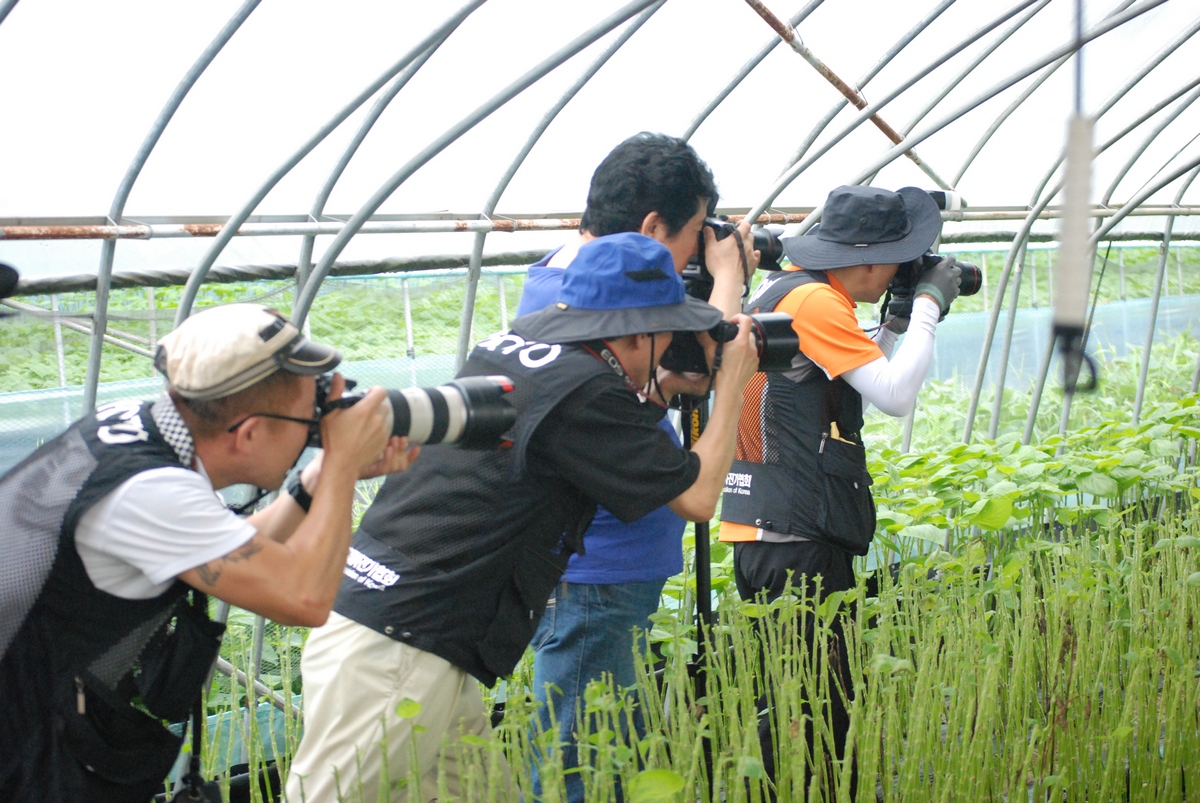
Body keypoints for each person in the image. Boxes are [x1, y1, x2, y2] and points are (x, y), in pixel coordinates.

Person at [284, 231, 760, 802]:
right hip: (401, 642)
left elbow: (557, 419)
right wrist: (732, 382)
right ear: (638, 333)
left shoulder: (517, 343)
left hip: (406, 621)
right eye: (668, 335)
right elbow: (699, 498)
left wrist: (660, 384)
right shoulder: (588, 391)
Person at [0, 303, 416, 803]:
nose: (316, 432)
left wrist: (314, 483)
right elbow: (304, 598)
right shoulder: (149, 493)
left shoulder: (135, 432)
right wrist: (343, 466)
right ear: (250, 432)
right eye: (310, 419)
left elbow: (233, 550)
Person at [516, 132, 756, 802]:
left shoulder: (577, 285)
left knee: (606, 757)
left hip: (610, 574)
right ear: (652, 228)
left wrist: (667, 383)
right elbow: (713, 359)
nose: (696, 253)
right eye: (693, 235)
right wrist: (729, 279)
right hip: (593, 576)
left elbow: (659, 381)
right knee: (581, 770)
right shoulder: (569, 299)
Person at [718, 185, 961, 788]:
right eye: (901, 262)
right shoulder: (819, 303)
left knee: (792, 698)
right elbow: (895, 396)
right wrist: (928, 306)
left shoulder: (788, 291)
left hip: (766, 530)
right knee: (818, 711)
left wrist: (894, 325)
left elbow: (845, 387)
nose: (901, 274)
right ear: (873, 260)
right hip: (799, 539)